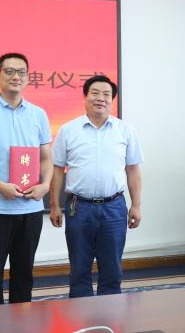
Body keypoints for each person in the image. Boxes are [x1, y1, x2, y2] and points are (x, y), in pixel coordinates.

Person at [0, 52, 53, 306]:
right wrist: (0, 186)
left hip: (30, 208)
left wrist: (45, 185)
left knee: (24, 274)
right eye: (10, 71)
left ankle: (21, 322)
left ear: (28, 77)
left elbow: (46, 158)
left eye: (22, 72)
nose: (16, 76)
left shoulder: (38, 114)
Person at [49, 75, 143, 298]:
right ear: (85, 97)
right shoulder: (68, 130)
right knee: (79, 267)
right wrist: (54, 205)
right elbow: (57, 170)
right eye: (95, 93)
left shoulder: (125, 130)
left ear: (112, 100)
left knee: (112, 268)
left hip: (114, 207)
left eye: (106, 94)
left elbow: (133, 169)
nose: (101, 98)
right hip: (78, 207)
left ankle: (111, 313)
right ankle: (80, 313)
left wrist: (136, 205)